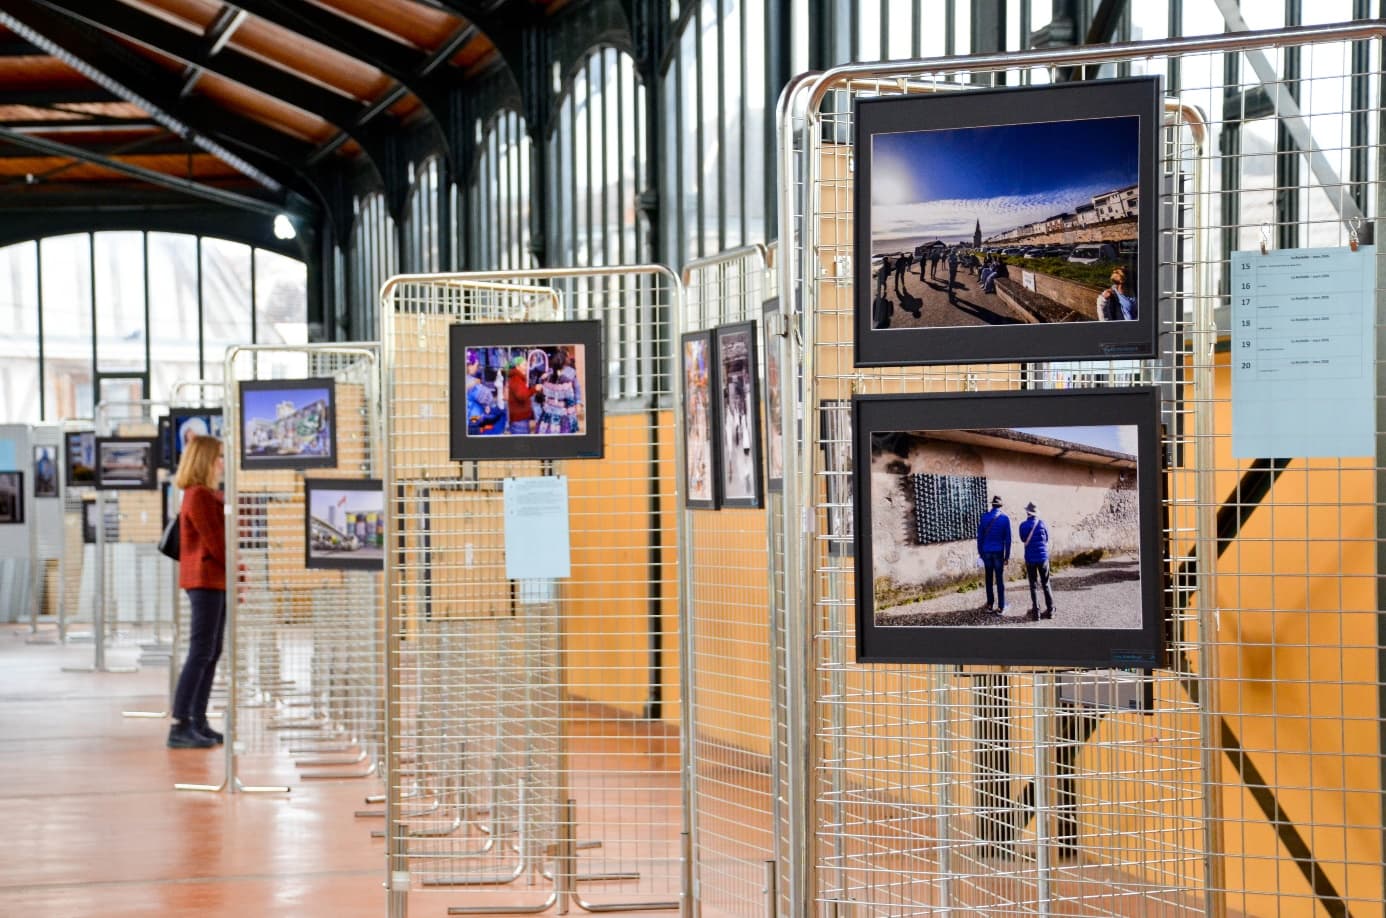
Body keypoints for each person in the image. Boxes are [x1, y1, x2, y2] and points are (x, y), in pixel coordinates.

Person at [168, 435, 226, 749]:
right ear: (205, 460)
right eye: (218, 456)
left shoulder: (205, 495)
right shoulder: (200, 496)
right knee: (201, 651)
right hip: (205, 580)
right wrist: (237, 567)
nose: (222, 463)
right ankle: (181, 723)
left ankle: (197, 719)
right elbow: (217, 543)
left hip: (213, 580)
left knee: (210, 651)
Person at [976, 495, 1012, 614]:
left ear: (992, 505)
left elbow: (980, 537)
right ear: (1000, 506)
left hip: (986, 552)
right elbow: (1008, 540)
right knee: (1000, 580)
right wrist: (1007, 556)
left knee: (988, 578)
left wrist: (980, 553)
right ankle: (1001, 607)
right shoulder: (1005, 519)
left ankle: (990, 605)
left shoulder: (984, 517)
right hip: (998, 552)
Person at [1019, 502, 1054, 620]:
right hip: (1043, 558)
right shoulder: (1043, 524)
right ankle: (1050, 611)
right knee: (1046, 584)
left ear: (1027, 513)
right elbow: (1047, 539)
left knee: (1033, 585)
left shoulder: (1023, 525)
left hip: (1030, 559)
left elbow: (1023, 539)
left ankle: (1036, 613)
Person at [536, 350, 579, 434]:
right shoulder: (566, 383)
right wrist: (573, 424)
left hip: (546, 418)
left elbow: (542, 398)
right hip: (561, 420)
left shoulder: (546, 380)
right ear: (564, 364)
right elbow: (570, 405)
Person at [505, 353, 537, 434]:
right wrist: (534, 389)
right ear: (517, 367)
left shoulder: (517, 378)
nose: (527, 368)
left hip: (519, 418)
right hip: (519, 420)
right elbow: (522, 396)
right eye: (524, 365)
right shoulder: (516, 379)